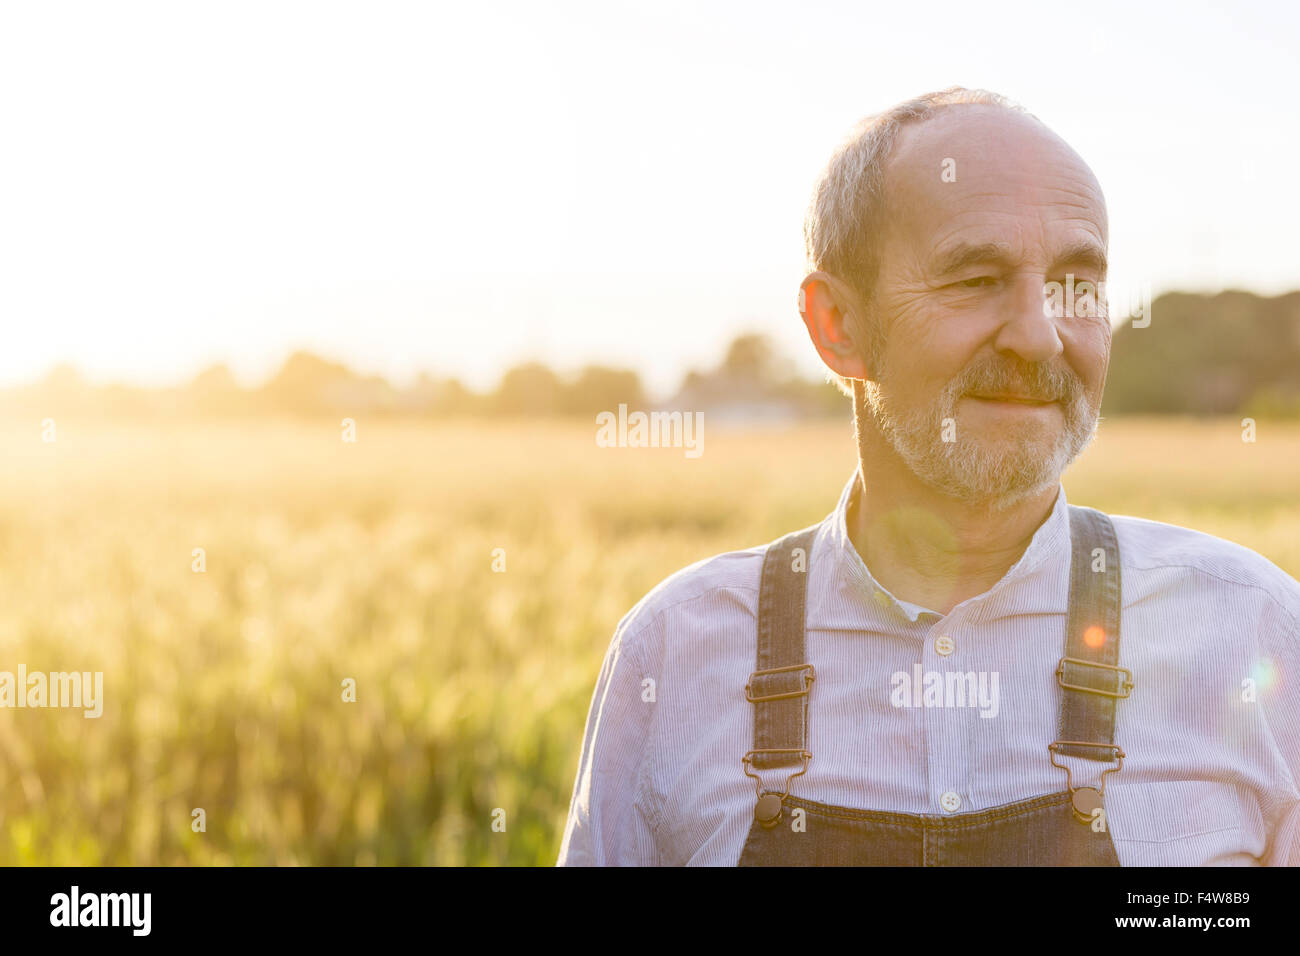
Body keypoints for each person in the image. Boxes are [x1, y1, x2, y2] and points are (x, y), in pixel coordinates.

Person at [556, 88, 1300, 866]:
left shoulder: (1255, 632)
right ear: (839, 326)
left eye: (1076, 285)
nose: (1040, 336)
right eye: (976, 280)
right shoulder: (675, 655)